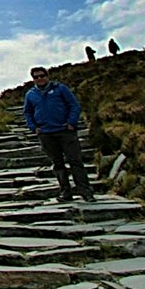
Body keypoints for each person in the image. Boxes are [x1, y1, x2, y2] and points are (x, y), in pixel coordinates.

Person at [23, 66, 95, 202]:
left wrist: (71, 123)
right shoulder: (30, 94)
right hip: (46, 134)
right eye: (36, 77)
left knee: (75, 162)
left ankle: (86, 192)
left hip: (65, 131)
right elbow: (27, 112)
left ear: (47, 76)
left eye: (42, 75)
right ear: (33, 79)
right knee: (57, 164)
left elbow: (74, 105)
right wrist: (34, 127)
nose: (40, 79)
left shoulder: (60, 89)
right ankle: (65, 193)